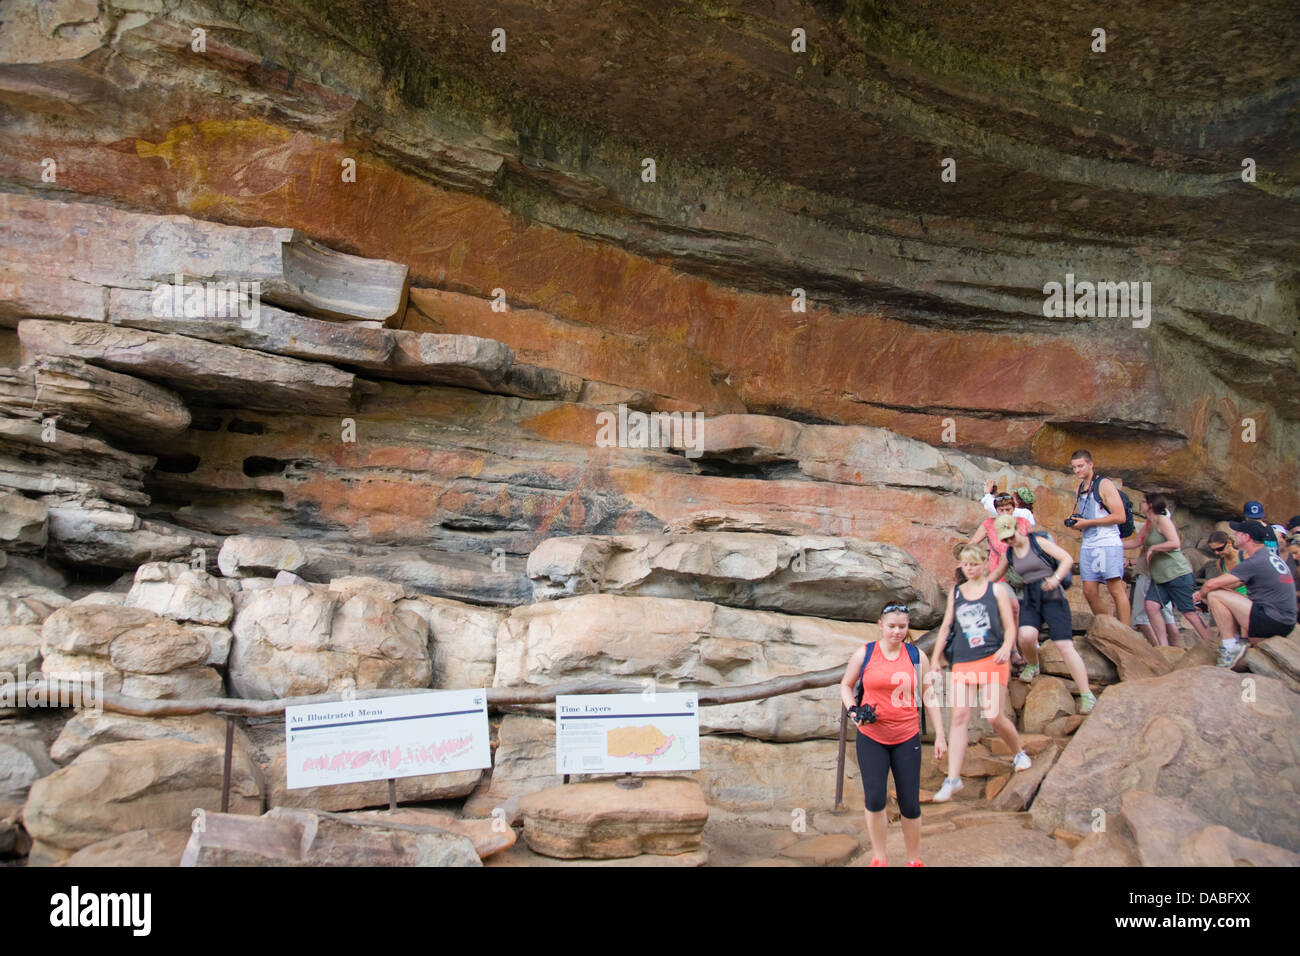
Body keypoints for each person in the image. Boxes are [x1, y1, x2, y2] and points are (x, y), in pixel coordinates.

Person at [840, 605, 946, 867]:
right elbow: (846, 684)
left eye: (902, 627)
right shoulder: (865, 653)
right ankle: (880, 856)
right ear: (880, 625)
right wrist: (852, 709)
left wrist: (941, 735)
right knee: (875, 798)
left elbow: (928, 694)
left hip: (906, 736)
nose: (897, 632)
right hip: (872, 735)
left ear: (908, 627)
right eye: (892, 626)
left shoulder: (915, 655)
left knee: (909, 802)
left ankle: (913, 858)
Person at [928, 545, 1031, 802]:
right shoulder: (957, 593)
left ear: (985, 564)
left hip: (992, 657)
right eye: (966, 564)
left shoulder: (996, 590)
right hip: (963, 659)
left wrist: (1008, 648)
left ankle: (1018, 752)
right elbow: (946, 626)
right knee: (959, 716)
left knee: (994, 714)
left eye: (974, 563)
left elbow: (1009, 626)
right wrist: (935, 660)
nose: (970, 568)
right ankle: (953, 779)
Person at [989, 516, 1097, 714]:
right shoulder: (1010, 553)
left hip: (1052, 594)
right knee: (1026, 636)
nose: (1009, 541)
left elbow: (1066, 559)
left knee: (1064, 645)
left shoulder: (1038, 541)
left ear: (1017, 529)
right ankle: (1033, 664)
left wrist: (1056, 578)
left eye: (1011, 536)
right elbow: (996, 574)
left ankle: (1086, 694)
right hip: (1030, 594)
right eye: (1005, 539)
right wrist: (976, 588)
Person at [1193, 520, 1298, 669]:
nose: (1234, 534)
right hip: (1284, 620)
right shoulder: (1268, 556)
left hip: (1272, 620)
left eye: (1238, 532)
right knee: (1216, 592)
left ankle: (1231, 648)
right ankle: (1239, 641)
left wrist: (1202, 595)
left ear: (1247, 537)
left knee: (1214, 595)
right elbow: (1234, 584)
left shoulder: (1255, 561)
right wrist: (1205, 593)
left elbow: (1211, 584)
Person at [1122, 493, 1213, 647]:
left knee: (1188, 612)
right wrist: (1111, 543)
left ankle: (1210, 642)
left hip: (1176, 574)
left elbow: (1175, 542)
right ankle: (1163, 647)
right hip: (1160, 577)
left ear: (1150, 505)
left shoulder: (1163, 520)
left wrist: (1154, 548)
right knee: (1151, 606)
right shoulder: (1149, 523)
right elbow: (1137, 541)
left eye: (1144, 502)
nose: (1141, 504)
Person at [1067, 450, 1131, 626]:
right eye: (1074, 467)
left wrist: (1088, 523)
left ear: (1090, 464)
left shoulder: (1104, 484)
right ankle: (1109, 626)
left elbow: (1120, 516)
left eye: (1080, 466)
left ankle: (1125, 632)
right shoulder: (1080, 488)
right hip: (1089, 544)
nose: (1077, 470)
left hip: (1107, 542)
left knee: (1115, 587)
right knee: (1089, 591)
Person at [969, 492, 1031, 576]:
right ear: (997, 510)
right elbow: (972, 545)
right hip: (997, 572)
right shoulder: (989, 524)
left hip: (1021, 571)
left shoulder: (1023, 522)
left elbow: (1033, 543)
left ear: (1013, 509)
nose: (1005, 513)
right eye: (1001, 510)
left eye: (1008, 509)